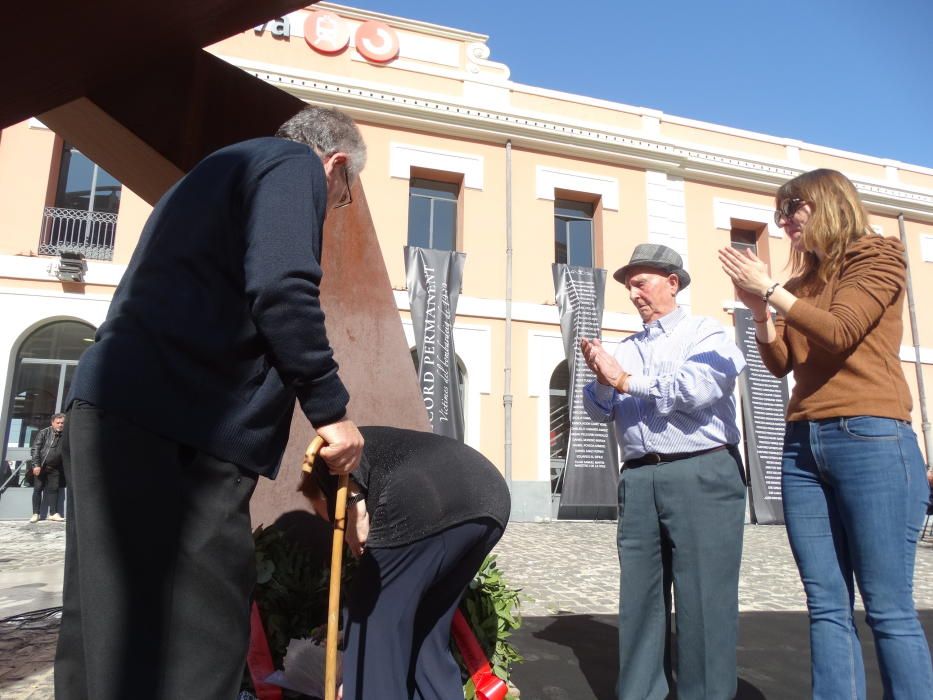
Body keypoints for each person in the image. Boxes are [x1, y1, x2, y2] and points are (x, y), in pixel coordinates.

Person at [55, 105, 367, 700]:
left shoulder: (207, 177)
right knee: (201, 634)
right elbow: (281, 287)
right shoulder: (293, 164)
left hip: (111, 407)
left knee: (103, 629)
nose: (333, 206)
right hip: (188, 425)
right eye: (343, 195)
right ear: (337, 164)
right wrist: (331, 411)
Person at [719, 168, 933, 698]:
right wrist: (759, 313)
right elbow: (782, 362)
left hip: (872, 437)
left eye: (794, 207)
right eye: (780, 212)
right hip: (803, 445)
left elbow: (840, 331)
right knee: (826, 604)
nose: (785, 220)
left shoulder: (877, 256)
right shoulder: (797, 286)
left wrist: (770, 290)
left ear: (830, 202)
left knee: (887, 606)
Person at [580, 243, 748, 700]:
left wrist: (624, 380)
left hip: (700, 472)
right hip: (637, 478)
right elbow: (597, 412)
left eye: (641, 282)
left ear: (672, 282)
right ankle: (640, 693)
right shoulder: (624, 348)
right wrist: (600, 377)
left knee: (704, 601)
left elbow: (697, 388)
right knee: (640, 601)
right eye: (628, 286)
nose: (633, 293)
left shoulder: (707, 334)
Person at [303, 425, 511, 700]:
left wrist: (355, 511)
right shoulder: (385, 445)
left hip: (428, 495)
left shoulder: (321, 461)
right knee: (426, 626)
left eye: (326, 515)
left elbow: (343, 467)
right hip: (490, 495)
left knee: (371, 619)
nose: (330, 523)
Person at [29, 413, 66, 522]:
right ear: (52, 423)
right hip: (42, 466)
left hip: (55, 467)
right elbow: (35, 449)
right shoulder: (44, 432)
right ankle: (35, 513)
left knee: (54, 490)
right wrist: (36, 465)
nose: (60, 425)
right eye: (58, 423)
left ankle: (53, 513)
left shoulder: (65, 434)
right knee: (37, 489)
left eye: (62, 423)